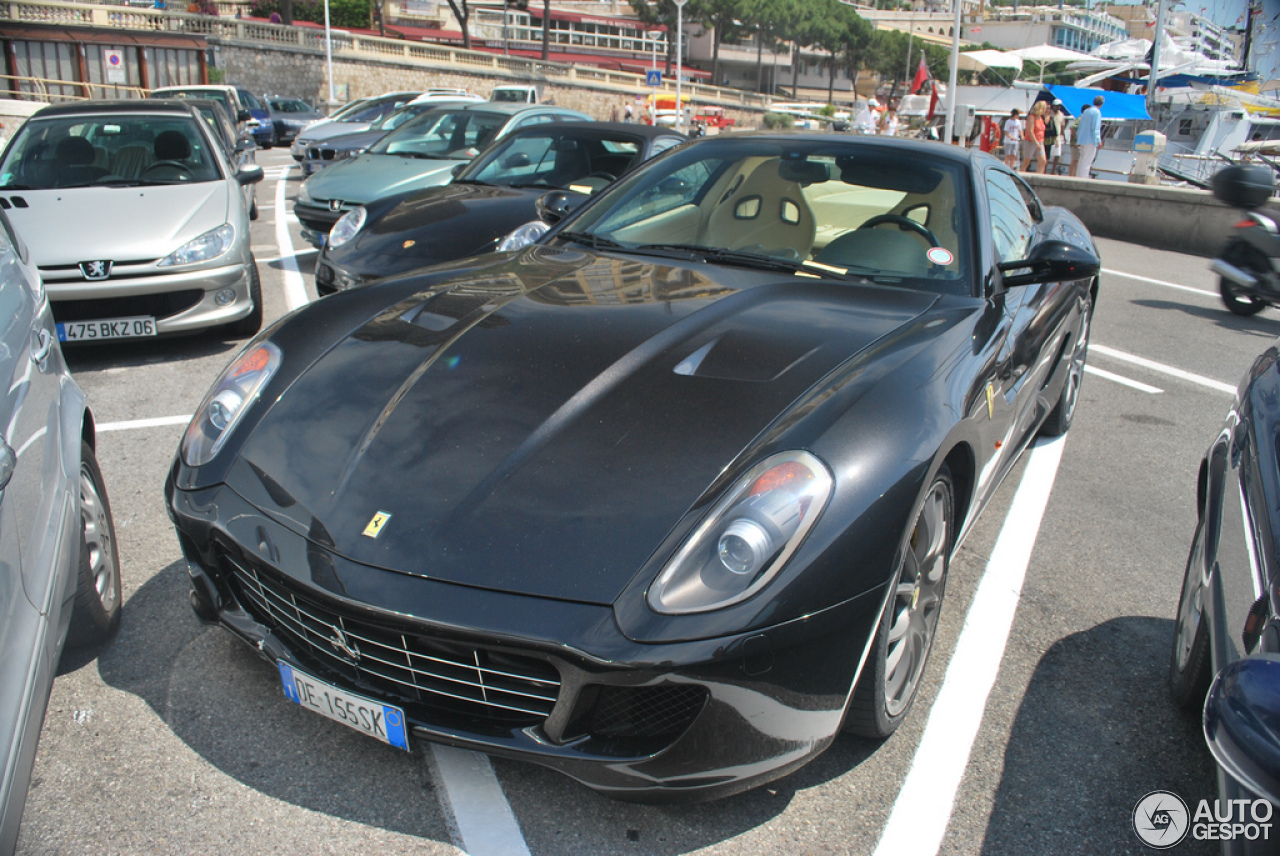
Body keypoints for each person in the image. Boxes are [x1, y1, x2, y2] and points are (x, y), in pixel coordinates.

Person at [1075, 95, 1104, 178]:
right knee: (1087, 161)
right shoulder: (1097, 112)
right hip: (1090, 140)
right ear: (1101, 104)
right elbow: (1095, 128)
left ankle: (1079, 176)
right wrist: (1098, 140)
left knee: (1082, 159)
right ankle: (1083, 178)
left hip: (1082, 139)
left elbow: (1080, 126)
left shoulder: (1086, 111)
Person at [1021, 100, 1047, 173]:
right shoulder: (1032, 117)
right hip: (1031, 141)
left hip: (1040, 141)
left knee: (1043, 161)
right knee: (1027, 161)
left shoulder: (1041, 118)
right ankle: (1021, 174)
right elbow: (1030, 131)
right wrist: (1036, 143)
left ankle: (1039, 176)